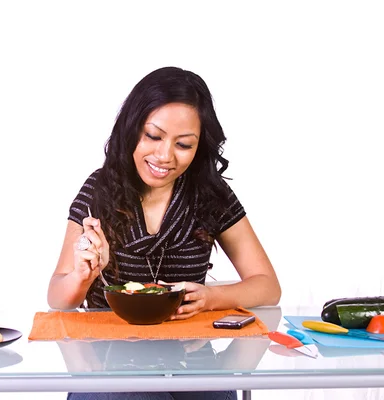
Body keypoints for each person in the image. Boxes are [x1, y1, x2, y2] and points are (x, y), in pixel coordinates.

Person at [47, 66, 281, 400]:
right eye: (153, 136)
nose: (164, 156)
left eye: (183, 144)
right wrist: (82, 276)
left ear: (200, 146)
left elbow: (267, 286)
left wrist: (210, 298)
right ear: (131, 130)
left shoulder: (210, 196)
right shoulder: (99, 190)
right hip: (109, 363)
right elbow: (57, 297)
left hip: (191, 360)